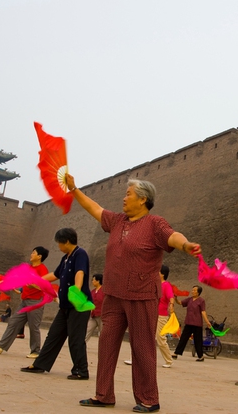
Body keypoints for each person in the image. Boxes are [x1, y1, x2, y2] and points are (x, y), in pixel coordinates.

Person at [66, 174, 201, 413]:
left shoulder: (154, 223)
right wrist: (74, 188)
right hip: (114, 294)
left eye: (128, 194)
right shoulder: (117, 221)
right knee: (106, 344)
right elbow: (94, 208)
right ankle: (104, 394)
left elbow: (173, 236)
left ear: (143, 199)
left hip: (141, 294)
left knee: (142, 346)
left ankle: (149, 398)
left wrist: (186, 245)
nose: (124, 198)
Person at [20, 230, 91, 379]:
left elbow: (80, 273)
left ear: (66, 241)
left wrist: (76, 292)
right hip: (65, 306)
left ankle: (81, 371)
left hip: (78, 305)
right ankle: (40, 364)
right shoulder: (65, 258)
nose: (58, 245)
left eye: (59, 242)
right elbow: (55, 275)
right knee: (54, 335)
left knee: (76, 338)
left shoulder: (80, 254)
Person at [0, 246, 50, 359]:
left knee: (33, 326)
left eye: (34, 253)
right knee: (13, 322)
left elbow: (45, 286)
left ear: (39, 256)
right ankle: (1, 346)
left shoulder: (42, 269)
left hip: (35, 302)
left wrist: (34, 285)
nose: (31, 254)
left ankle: (35, 351)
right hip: (25, 301)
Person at [124, 265, 177, 368]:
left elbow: (171, 297)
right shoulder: (153, 284)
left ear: (162, 274)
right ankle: (134, 359)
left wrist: (171, 306)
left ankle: (169, 361)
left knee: (160, 339)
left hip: (161, 316)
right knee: (141, 337)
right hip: (149, 313)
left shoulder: (166, 285)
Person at [171, 285, 213, 363]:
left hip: (197, 324)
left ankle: (201, 356)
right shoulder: (189, 299)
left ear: (198, 292)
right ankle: (176, 353)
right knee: (183, 338)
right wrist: (176, 298)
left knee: (198, 340)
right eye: (192, 290)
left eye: (194, 290)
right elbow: (180, 303)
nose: (192, 291)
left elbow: (203, 312)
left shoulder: (201, 301)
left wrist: (207, 322)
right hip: (188, 322)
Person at [85, 274, 104, 343]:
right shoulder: (92, 292)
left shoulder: (104, 291)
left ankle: (104, 351)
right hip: (93, 315)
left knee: (102, 335)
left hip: (102, 316)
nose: (92, 281)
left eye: (93, 280)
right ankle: (81, 347)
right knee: (87, 330)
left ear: (98, 281)